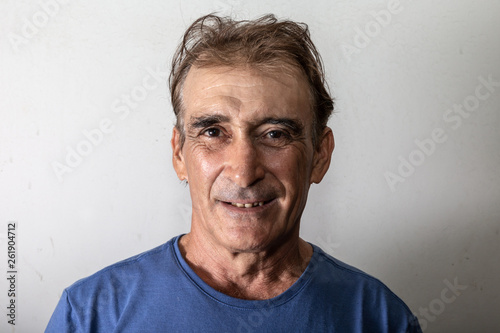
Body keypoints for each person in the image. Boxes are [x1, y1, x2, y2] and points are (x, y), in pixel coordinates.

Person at [46, 14, 422, 332]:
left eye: (275, 134)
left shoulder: (380, 319)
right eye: (213, 132)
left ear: (320, 156)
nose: (243, 173)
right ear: (179, 153)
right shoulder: (90, 316)